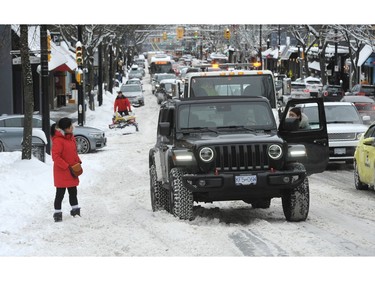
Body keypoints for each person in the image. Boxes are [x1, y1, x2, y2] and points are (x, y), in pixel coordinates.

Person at [50, 117, 82, 222]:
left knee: (73, 192)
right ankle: (57, 214)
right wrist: (66, 166)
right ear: (65, 128)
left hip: (72, 170)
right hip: (62, 171)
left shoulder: (71, 137)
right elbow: (55, 156)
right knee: (60, 193)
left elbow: (73, 152)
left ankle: (75, 211)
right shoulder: (58, 140)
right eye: (70, 126)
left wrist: (78, 161)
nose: (72, 127)